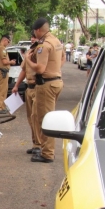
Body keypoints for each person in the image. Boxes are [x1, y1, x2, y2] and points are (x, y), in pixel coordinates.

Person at [25, 18, 66, 163]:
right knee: (37, 115)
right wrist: (55, 71)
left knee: (45, 119)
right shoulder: (56, 41)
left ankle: (47, 153)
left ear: (37, 31)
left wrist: (28, 60)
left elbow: (40, 68)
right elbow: (63, 58)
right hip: (56, 82)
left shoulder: (44, 45)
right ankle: (43, 148)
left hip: (46, 85)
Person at [12, 31, 41, 155]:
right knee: (30, 118)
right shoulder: (29, 53)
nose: (33, 39)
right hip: (28, 87)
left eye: (35, 37)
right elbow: (24, 70)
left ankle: (40, 145)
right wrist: (16, 85)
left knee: (37, 117)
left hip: (38, 87)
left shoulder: (41, 52)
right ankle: (35, 144)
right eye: (32, 38)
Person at [0, 34, 16, 114]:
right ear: (5, 40)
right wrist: (11, 62)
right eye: (8, 42)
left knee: (4, 90)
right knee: (2, 90)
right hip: (3, 72)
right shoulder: (2, 48)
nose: (8, 43)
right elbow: (4, 62)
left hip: (1, 72)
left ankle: (2, 106)